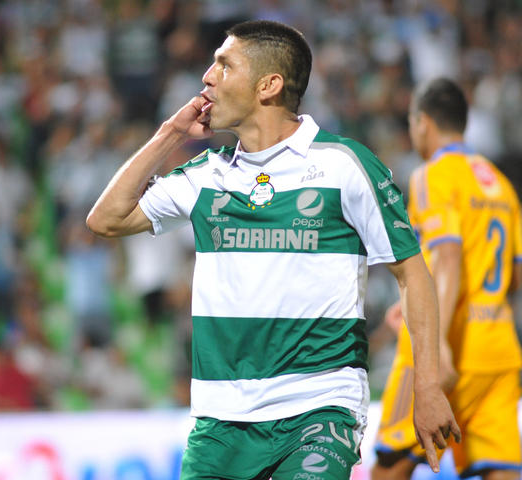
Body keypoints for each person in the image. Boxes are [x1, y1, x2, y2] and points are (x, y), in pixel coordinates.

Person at [87, 20, 459, 479]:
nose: (207, 77)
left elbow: (412, 274)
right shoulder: (206, 174)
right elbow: (106, 220)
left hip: (319, 411)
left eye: (224, 65)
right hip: (220, 422)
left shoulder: (343, 165)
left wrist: (428, 386)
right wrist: (170, 133)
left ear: (269, 85)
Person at [372, 78, 522, 480]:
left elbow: (448, 256)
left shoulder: (432, 175)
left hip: (444, 349)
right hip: (498, 351)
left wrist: (435, 343)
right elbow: (514, 276)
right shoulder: (499, 184)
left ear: (422, 122)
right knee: (501, 471)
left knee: (389, 467)